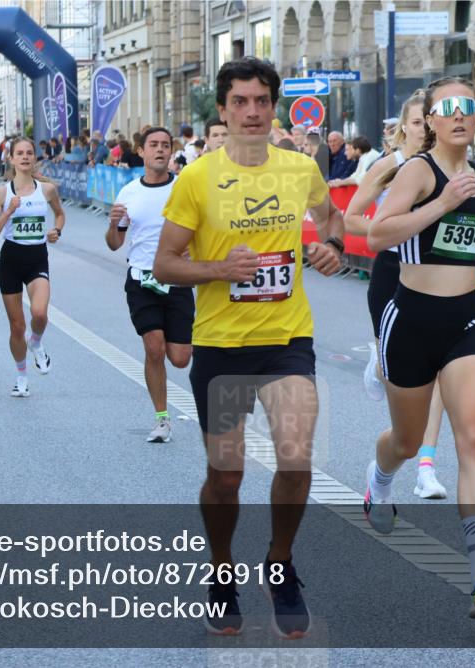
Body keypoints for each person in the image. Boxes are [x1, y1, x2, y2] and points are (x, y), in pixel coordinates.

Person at [153, 56, 345, 639]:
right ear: (223, 109)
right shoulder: (197, 178)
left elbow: (331, 217)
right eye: (241, 101)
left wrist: (332, 248)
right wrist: (218, 268)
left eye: (262, 100)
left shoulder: (298, 168)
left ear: (275, 105)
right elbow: (165, 263)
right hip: (220, 345)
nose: (253, 111)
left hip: (287, 338)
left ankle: (280, 563)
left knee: (296, 455)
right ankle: (220, 568)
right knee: (226, 475)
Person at [366, 76, 475, 620]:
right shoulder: (417, 171)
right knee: (407, 441)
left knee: (474, 437)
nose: (458, 116)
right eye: (447, 108)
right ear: (430, 119)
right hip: (409, 318)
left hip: (465, 320)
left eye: (468, 107)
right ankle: (380, 480)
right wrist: (440, 205)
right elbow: (378, 236)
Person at [342, 90, 448, 500]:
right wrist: (392, 229)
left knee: (438, 371)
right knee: (399, 380)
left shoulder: (450, 167)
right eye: (419, 122)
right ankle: (378, 360)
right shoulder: (390, 165)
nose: (425, 129)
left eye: (430, 121)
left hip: (439, 275)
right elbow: (351, 218)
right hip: (393, 272)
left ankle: (426, 466)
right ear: (405, 125)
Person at [107, 127, 194, 443]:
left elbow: (204, 232)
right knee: (153, 347)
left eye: (165, 145)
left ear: (171, 152)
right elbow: (115, 243)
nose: (160, 150)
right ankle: (162, 419)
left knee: (180, 358)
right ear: (140, 151)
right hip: (141, 279)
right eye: (153, 145)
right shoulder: (129, 192)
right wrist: (113, 223)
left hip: (178, 279)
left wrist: (192, 249)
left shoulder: (185, 189)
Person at [0, 137, 66, 397]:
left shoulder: (47, 190)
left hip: (37, 259)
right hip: (10, 261)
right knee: (17, 327)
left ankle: (37, 342)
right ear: (11, 158)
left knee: (40, 314)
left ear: (35, 158)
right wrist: (8, 212)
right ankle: (21, 376)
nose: (25, 157)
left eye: (29, 153)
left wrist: (57, 230)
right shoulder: (2, 193)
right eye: (19, 153)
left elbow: (60, 214)